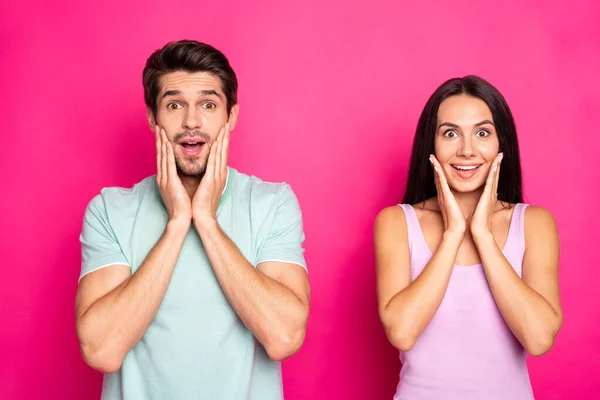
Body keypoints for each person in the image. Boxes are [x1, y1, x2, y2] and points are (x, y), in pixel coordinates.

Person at [75, 40, 310, 400]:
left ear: (231, 116)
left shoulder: (273, 203)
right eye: (174, 105)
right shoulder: (109, 210)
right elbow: (101, 350)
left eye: (209, 104)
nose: (191, 121)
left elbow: (283, 338)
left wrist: (206, 221)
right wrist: (176, 225)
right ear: (153, 116)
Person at [374, 75, 562, 399]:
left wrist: (483, 235)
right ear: (430, 144)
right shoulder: (396, 222)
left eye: (482, 132)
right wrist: (453, 233)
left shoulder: (534, 223)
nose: (466, 150)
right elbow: (402, 333)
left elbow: (539, 338)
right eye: (450, 133)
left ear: (501, 142)